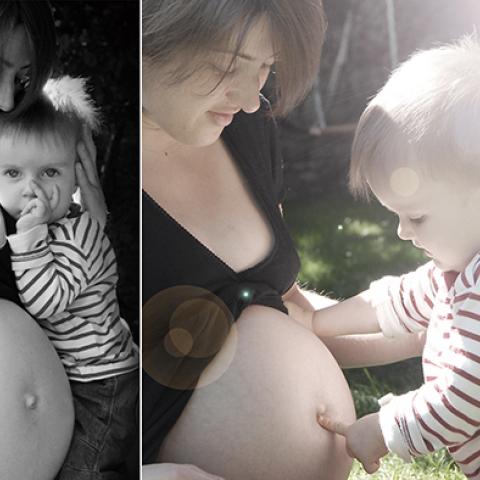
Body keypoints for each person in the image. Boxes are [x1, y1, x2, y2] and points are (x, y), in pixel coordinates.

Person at [142, 1, 425, 479]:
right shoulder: (83, 169)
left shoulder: (245, 125)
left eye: (267, 66)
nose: (252, 98)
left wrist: (440, 325)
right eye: (227, 66)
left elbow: (292, 311)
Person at [286, 37, 480, 478]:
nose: (402, 232)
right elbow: (392, 300)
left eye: (416, 215)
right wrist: (316, 322)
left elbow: (466, 395)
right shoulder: (454, 272)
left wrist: (385, 427)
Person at [0, 75, 139, 478]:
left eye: (49, 173)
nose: (32, 190)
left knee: (90, 470)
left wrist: (28, 239)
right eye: (12, 174)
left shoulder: (80, 235)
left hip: (102, 385)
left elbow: (45, 302)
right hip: (80, 376)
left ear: (76, 176)